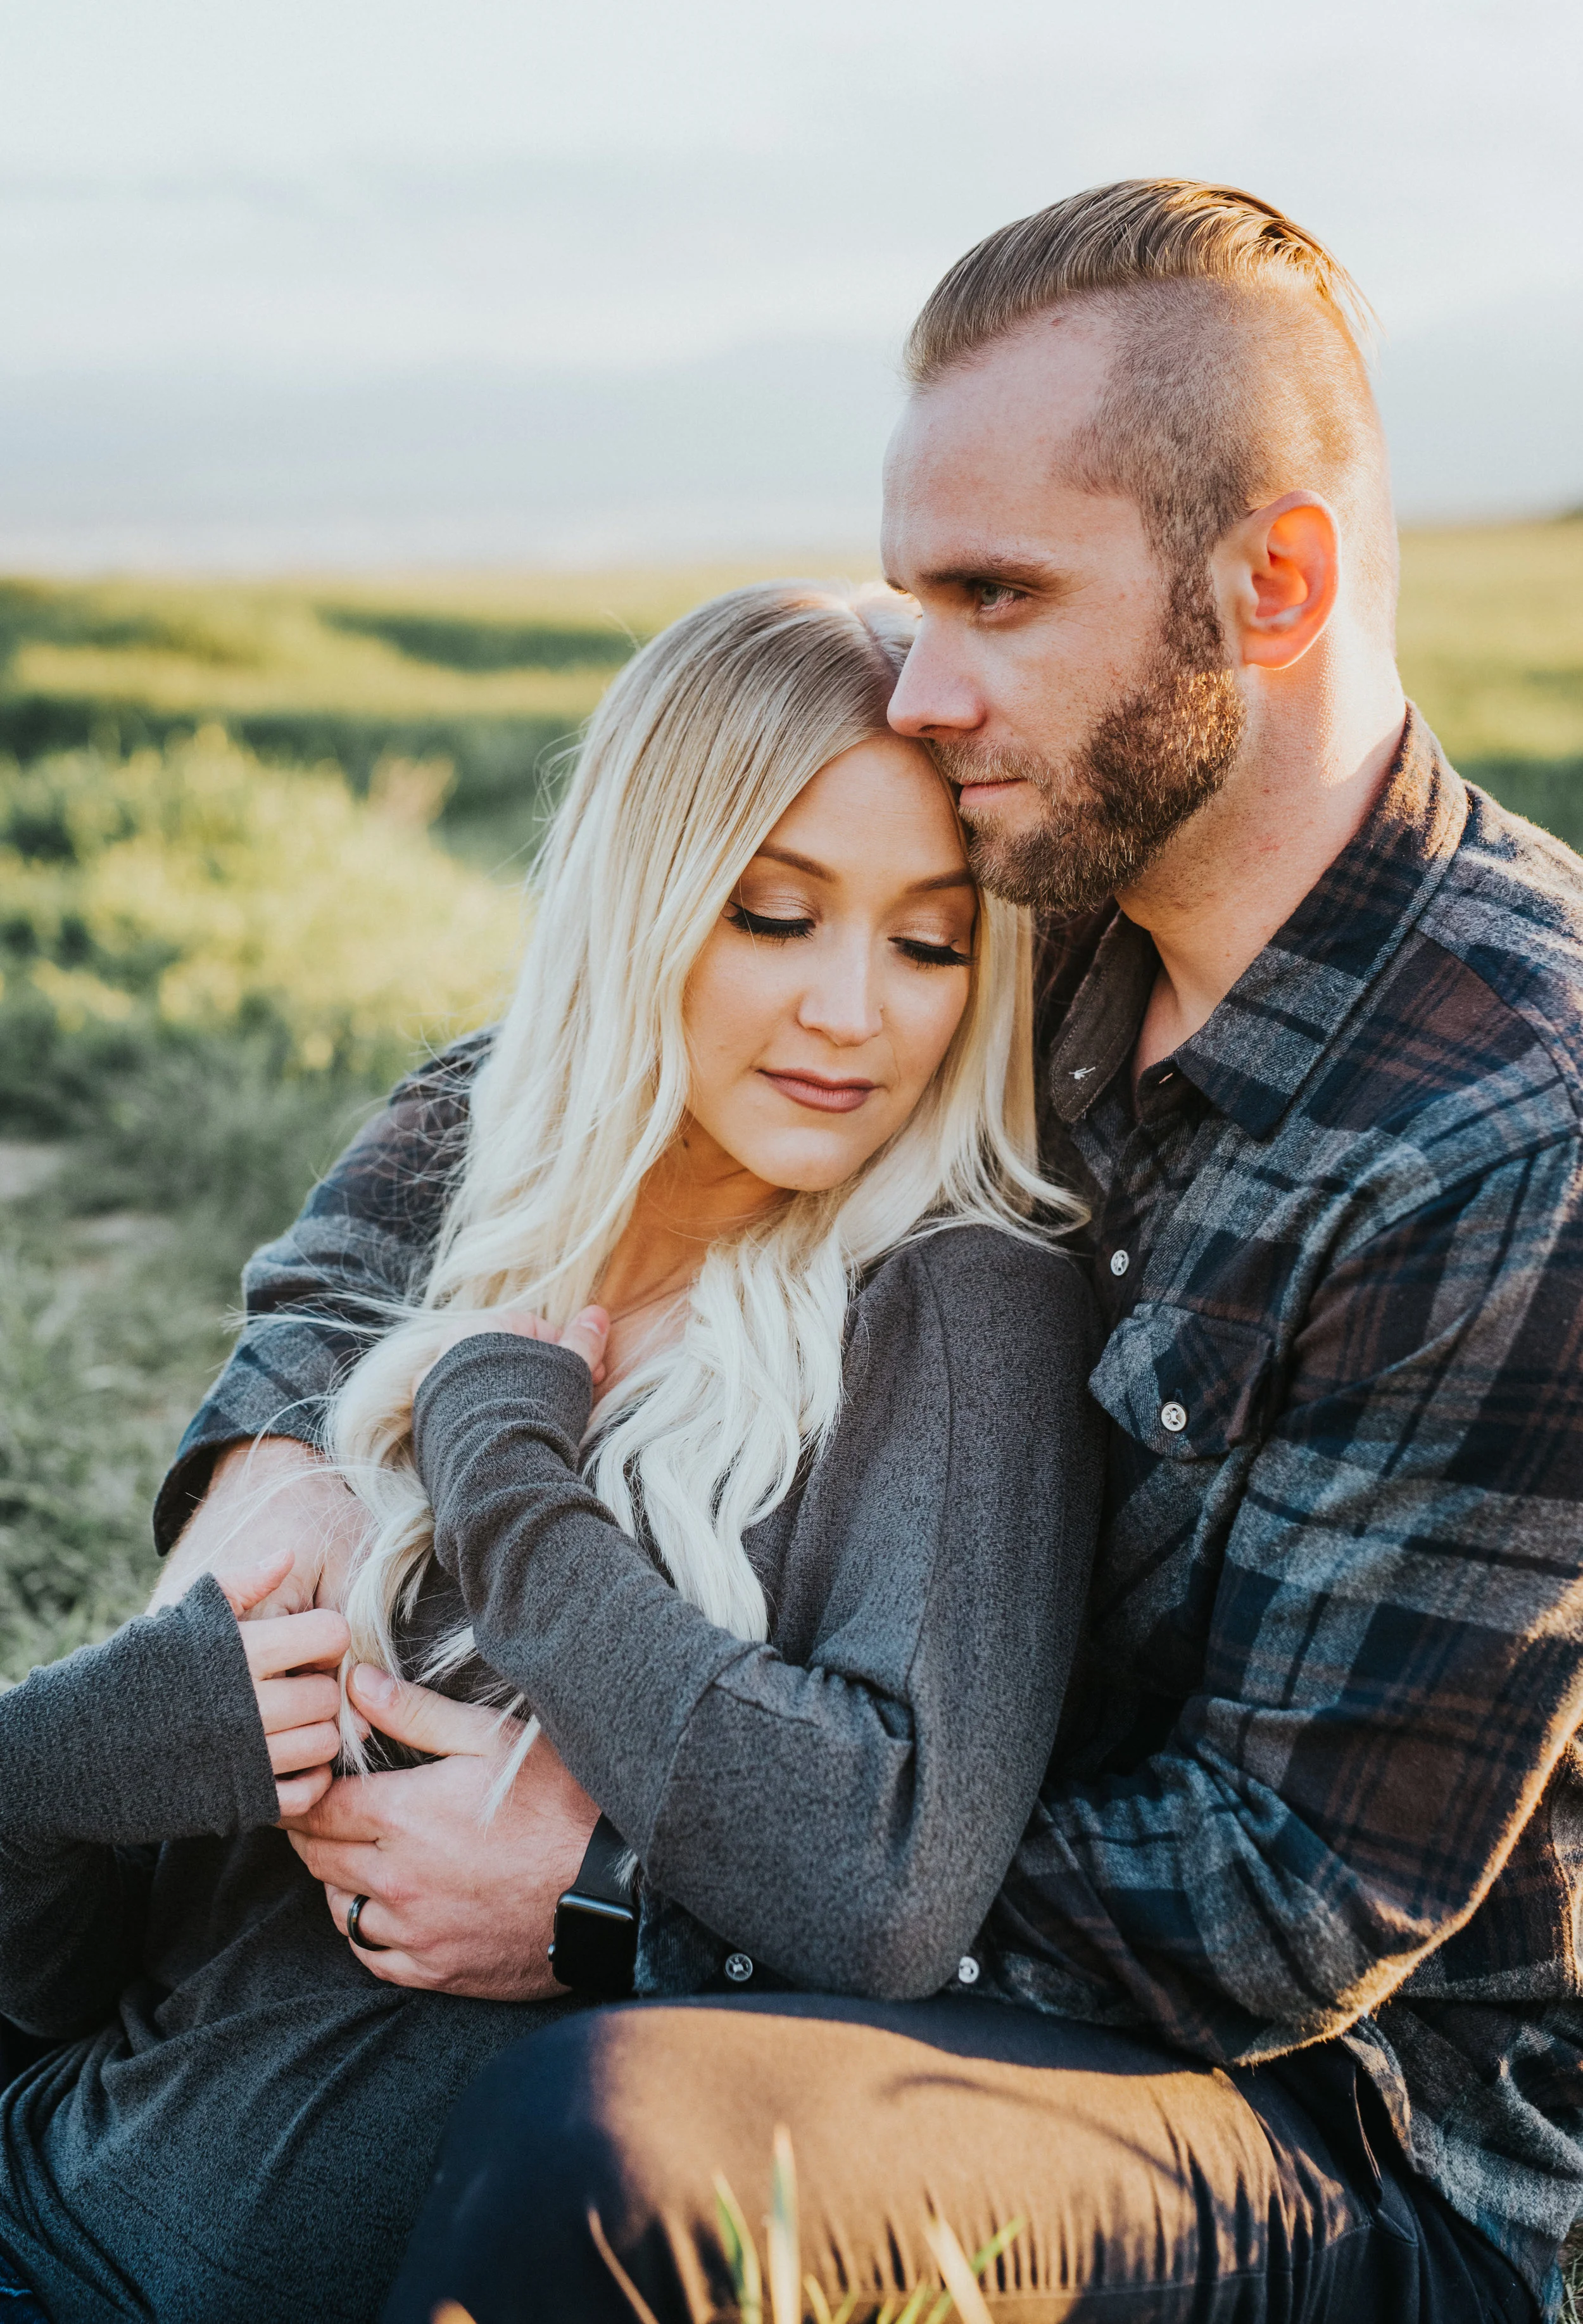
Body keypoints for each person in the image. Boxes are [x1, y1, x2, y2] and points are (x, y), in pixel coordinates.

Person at [168, 181, 1583, 2324]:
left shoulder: (1507, 1135)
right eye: (917, 591)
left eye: (995, 595)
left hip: (1338, 2135)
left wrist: (612, 1889)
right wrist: (266, 1448)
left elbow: (1277, 1909)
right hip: (885, 1868)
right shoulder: (1044, 870)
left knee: (610, 2156)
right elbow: (554, 1060)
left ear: (1271, 585)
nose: (921, 684)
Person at [0, 584, 1102, 2323]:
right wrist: (91, 1743)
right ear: (643, 893)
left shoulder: (952, 1310)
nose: (850, 1011)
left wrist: (509, 1480)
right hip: (48, 2171)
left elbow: (888, 1865)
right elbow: (52, 1974)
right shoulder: (473, 1184)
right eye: (774, 912)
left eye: (927, 939)